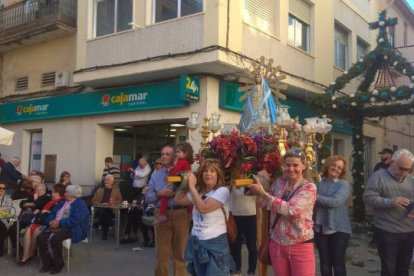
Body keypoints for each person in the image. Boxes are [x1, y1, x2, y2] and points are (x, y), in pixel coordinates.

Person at [248, 148, 317, 276]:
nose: (291, 169)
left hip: (300, 244)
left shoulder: (309, 187)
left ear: (304, 166)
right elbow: (264, 204)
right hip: (277, 243)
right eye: (288, 165)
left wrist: (264, 194)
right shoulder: (280, 182)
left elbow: (291, 209)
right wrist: (255, 191)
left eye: (295, 165)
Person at [174, 158, 234, 276]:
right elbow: (178, 199)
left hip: (215, 243)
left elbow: (204, 208)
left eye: (212, 171)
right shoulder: (198, 191)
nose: (208, 174)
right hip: (196, 241)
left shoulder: (222, 191)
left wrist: (191, 187)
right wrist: (184, 183)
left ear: (218, 175)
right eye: (205, 171)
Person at [364, 148, 414, 276]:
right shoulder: (378, 177)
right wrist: (391, 202)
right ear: (392, 162)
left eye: (407, 169)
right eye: (401, 168)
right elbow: (368, 197)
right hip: (387, 231)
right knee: (389, 270)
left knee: (403, 269)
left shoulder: (411, 180)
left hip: (408, 231)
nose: (403, 173)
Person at [145, 146, 190, 276]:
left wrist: (178, 194)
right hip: (161, 213)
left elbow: (191, 192)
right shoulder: (156, 175)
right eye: (162, 154)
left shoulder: (183, 173)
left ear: (174, 156)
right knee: (161, 254)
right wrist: (160, 193)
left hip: (180, 213)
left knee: (180, 253)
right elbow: (148, 197)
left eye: (167, 154)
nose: (164, 156)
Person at [37, 184, 89, 274]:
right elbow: (52, 213)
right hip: (55, 225)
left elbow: (76, 220)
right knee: (40, 238)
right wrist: (50, 221)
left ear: (73, 194)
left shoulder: (80, 204)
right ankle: (47, 263)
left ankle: (58, 263)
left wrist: (60, 223)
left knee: (55, 238)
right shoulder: (62, 202)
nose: (64, 194)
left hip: (73, 228)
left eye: (66, 192)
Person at [313, 155, 351, 276]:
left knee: (338, 263)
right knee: (324, 263)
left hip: (339, 229)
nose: (336, 169)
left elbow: (335, 202)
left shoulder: (343, 185)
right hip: (320, 228)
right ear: (328, 165)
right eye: (334, 165)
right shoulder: (319, 183)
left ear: (342, 171)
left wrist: (313, 196)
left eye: (339, 168)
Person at [19, 183, 66, 264]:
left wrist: (44, 211)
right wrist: (41, 210)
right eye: (37, 189)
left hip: (48, 223)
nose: (51, 193)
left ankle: (30, 253)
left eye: (53, 191)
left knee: (34, 230)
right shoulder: (53, 200)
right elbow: (23, 204)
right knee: (29, 230)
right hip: (41, 219)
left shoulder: (60, 202)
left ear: (58, 193)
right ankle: (26, 255)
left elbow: (56, 214)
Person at [154, 142, 193, 225]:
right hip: (185, 180)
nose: (176, 154)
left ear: (185, 153)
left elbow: (175, 172)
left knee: (165, 193)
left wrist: (170, 170)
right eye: (176, 152)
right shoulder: (187, 162)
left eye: (178, 152)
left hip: (180, 179)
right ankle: (190, 212)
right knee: (188, 196)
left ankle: (162, 214)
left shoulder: (181, 162)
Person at [230, 185, 257, 276]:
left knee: (252, 245)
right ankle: (236, 270)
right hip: (235, 216)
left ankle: (251, 271)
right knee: (235, 245)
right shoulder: (231, 181)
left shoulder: (251, 178)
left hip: (251, 215)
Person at [91, 174, 122, 240]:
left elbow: (120, 201)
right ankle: (105, 231)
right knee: (103, 211)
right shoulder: (99, 190)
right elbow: (94, 201)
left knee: (105, 212)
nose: (106, 181)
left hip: (111, 209)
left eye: (108, 180)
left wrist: (112, 203)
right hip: (100, 208)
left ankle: (99, 225)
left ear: (112, 182)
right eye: (105, 180)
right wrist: (101, 204)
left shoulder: (116, 191)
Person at [0, 179, 12, 257]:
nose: (1, 190)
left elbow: (7, 213)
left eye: (3, 188)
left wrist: (1, 211)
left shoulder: (8, 199)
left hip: (4, 220)